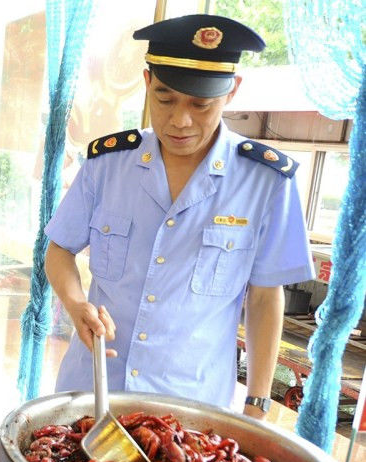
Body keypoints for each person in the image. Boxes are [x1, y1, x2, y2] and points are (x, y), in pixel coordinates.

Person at [44, 14, 315, 418]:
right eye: (166, 98)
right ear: (147, 82)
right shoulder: (108, 164)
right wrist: (75, 302)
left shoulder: (267, 181)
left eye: (200, 104)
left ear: (232, 91)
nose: (180, 120)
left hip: (191, 404)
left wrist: (257, 404)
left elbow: (264, 296)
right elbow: (59, 249)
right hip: (94, 389)